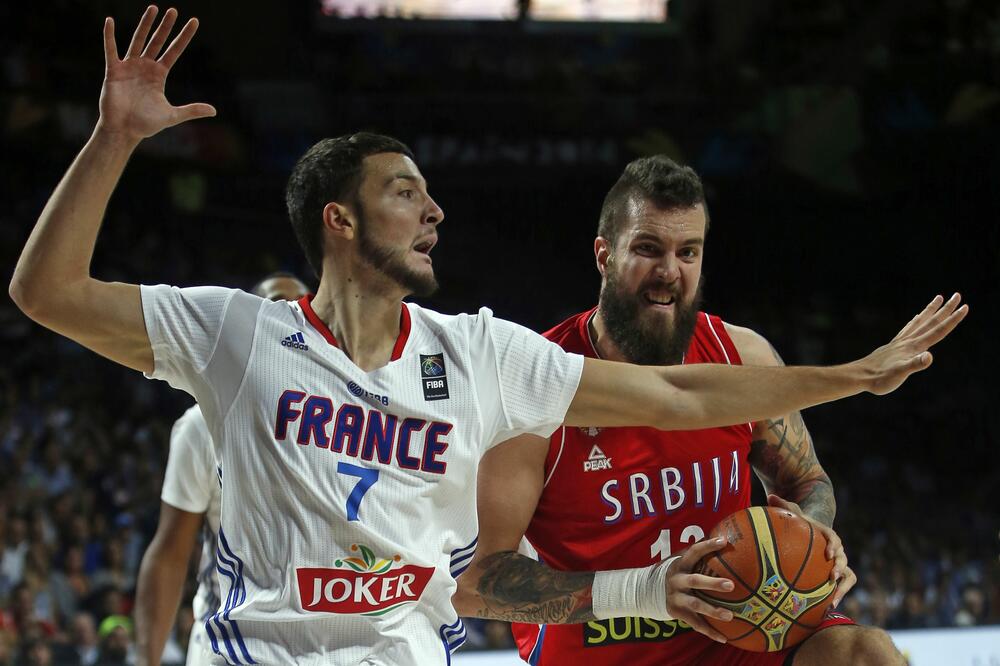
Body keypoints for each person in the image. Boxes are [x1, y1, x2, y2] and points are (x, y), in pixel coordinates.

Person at [8, 7, 966, 664]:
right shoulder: (234, 332)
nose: (434, 212)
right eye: (405, 192)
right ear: (338, 222)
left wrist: (850, 375)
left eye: (431, 195)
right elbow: (46, 291)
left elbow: (680, 395)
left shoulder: (481, 353)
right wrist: (115, 139)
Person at [452, 156, 904, 664]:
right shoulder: (537, 383)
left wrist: (812, 528)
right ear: (603, 255)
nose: (669, 272)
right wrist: (644, 591)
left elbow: (808, 482)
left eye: (688, 252)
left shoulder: (740, 356)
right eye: (648, 249)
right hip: (604, 642)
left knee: (866, 654)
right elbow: (478, 583)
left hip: (737, 627)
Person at [134, 274, 309, 666]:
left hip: (317, 640)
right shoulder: (202, 426)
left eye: (302, 305)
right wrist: (147, 659)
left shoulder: (341, 421)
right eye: (279, 305)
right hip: (230, 640)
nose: (293, 315)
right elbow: (170, 553)